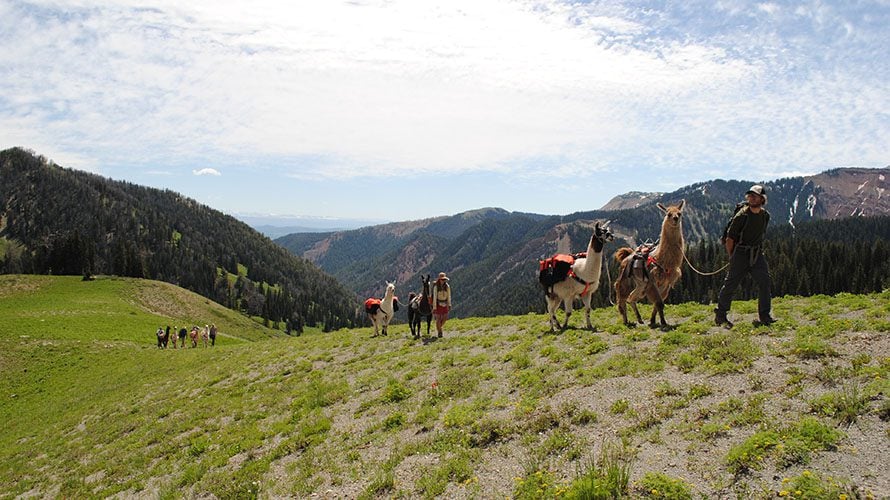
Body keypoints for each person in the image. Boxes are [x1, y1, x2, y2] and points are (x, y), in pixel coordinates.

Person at [714, 185, 777, 328]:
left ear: (762, 199)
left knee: (765, 282)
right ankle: (721, 315)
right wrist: (733, 256)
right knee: (730, 284)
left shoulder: (765, 216)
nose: (751, 198)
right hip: (740, 254)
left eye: (755, 196)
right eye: (750, 196)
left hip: (756, 254)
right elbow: (730, 239)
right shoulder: (742, 216)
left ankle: (765, 315)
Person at [430, 272, 452, 338]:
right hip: (438, 304)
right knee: (438, 318)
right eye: (442, 279)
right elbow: (434, 297)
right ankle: (440, 331)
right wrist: (434, 307)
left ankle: (439, 327)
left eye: (444, 279)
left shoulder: (447, 286)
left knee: (445, 318)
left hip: (445, 303)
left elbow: (449, 296)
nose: (443, 281)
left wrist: (449, 304)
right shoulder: (436, 287)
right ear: (439, 279)